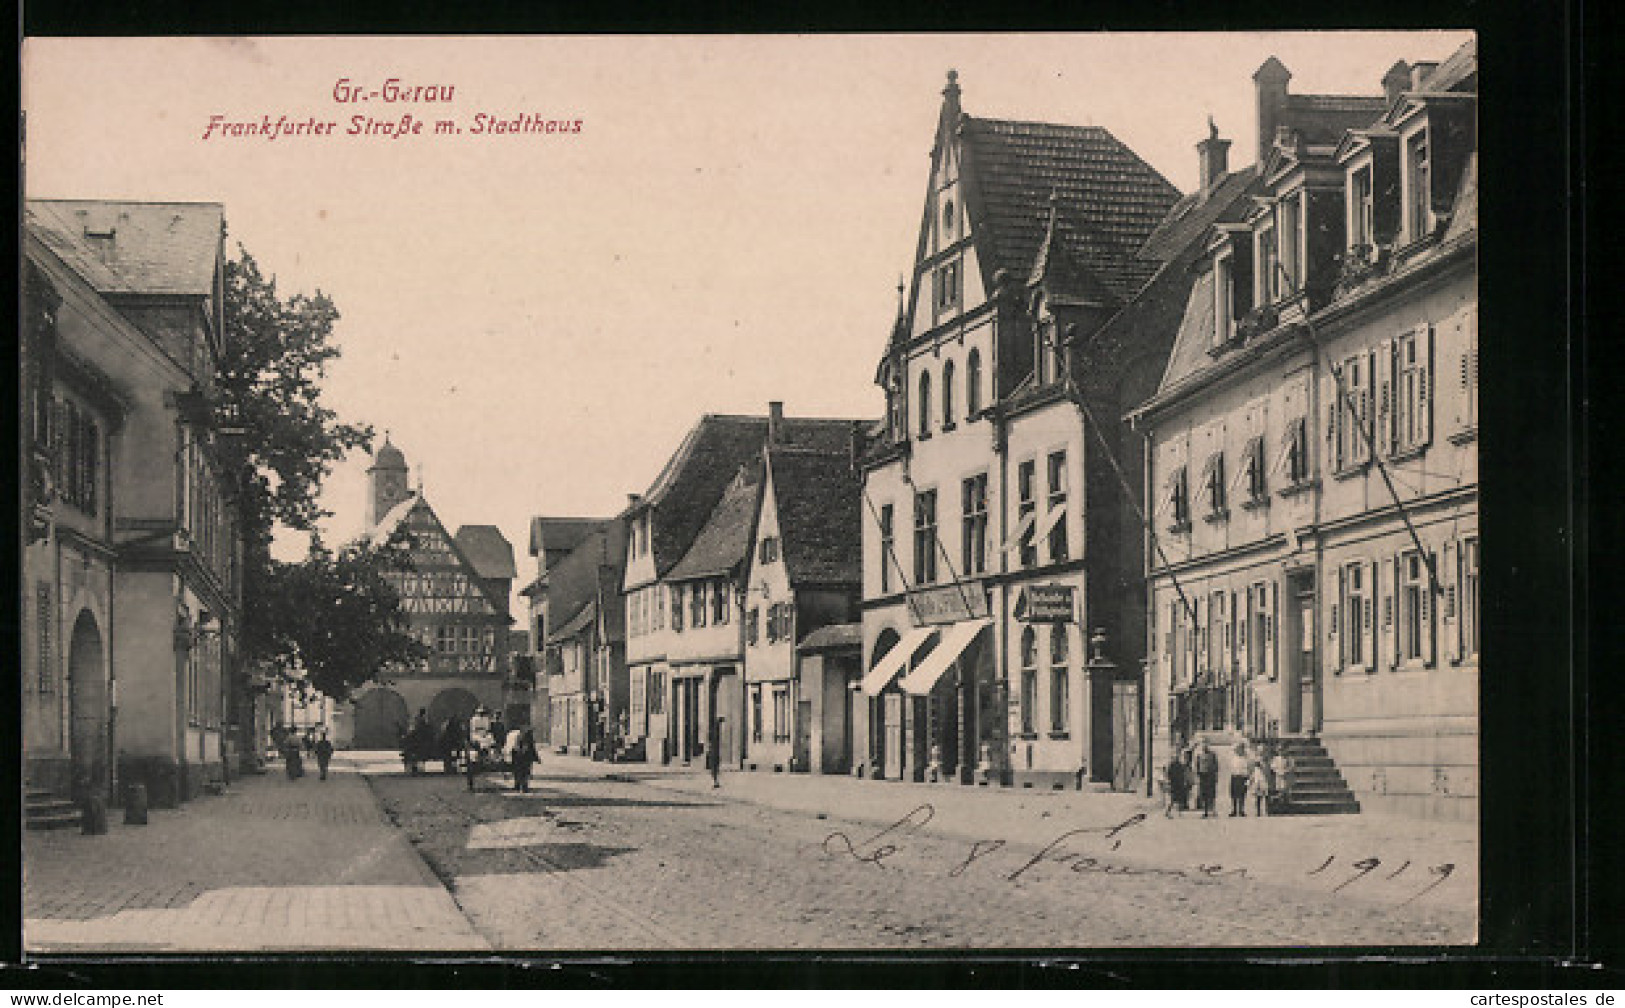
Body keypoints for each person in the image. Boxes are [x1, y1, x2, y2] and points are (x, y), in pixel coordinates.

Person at [509, 728, 540, 793]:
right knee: (525, 773)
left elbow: (515, 748)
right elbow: (531, 749)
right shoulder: (528, 739)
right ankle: (524, 787)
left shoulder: (518, 737)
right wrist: (537, 758)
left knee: (518, 772)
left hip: (518, 757)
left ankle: (517, 786)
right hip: (524, 758)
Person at [1194, 741, 1219, 817]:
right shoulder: (1199, 755)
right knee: (1203, 794)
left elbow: (1216, 765)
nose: (1204, 746)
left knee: (1212, 794)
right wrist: (1198, 776)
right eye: (1203, 745)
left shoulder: (1212, 755)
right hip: (1202, 776)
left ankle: (1213, 810)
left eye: (1206, 744)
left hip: (1211, 776)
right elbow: (1197, 766)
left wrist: (1215, 775)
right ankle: (1205, 811)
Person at [1249, 744, 1273, 817]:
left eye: (1262, 750)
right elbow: (1252, 769)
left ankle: (1268, 810)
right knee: (1258, 795)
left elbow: (1269, 769)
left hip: (1264, 777)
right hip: (1257, 777)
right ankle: (1258, 811)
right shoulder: (1255, 759)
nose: (1261, 752)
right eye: (1259, 750)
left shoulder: (1267, 760)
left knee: (1266, 794)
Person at [1229, 742, 1251, 817]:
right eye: (1238, 749)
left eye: (1241, 749)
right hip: (1235, 776)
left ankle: (1241, 810)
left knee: (1242, 794)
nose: (1239, 751)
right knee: (1234, 794)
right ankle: (1234, 810)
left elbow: (1248, 769)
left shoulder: (1245, 759)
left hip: (1242, 777)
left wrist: (1247, 778)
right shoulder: (1234, 758)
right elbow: (1232, 767)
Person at [1164, 750, 1188, 817]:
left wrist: (1184, 781)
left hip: (1179, 783)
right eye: (1175, 757)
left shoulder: (1180, 765)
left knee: (1180, 799)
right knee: (1172, 799)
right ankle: (1168, 812)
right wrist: (1168, 782)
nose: (1176, 758)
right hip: (1174, 783)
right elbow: (1168, 774)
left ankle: (1179, 813)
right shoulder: (1171, 765)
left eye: (1177, 757)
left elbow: (1183, 774)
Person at [1271, 746, 1294, 812]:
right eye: (1279, 750)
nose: (1281, 752)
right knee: (1280, 790)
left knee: (1286, 790)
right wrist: (1278, 771)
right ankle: (1280, 806)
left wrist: (1286, 771)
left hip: (1286, 776)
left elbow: (1292, 767)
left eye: (1282, 750)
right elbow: (1273, 767)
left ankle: (1287, 805)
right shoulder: (1276, 759)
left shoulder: (1288, 759)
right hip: (1278, 775)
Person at [705, 716, 724, 788]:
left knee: (714, 767)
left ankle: (715, 781)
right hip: (714, 752)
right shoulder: (715, 732)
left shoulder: (713, 732)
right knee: (714, 767)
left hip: (714, 751)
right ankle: (715, 782)